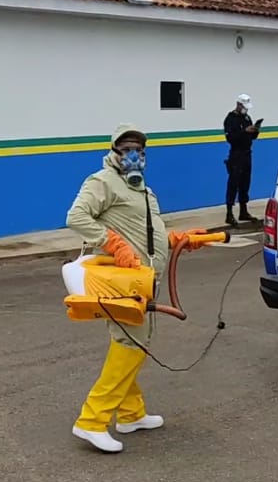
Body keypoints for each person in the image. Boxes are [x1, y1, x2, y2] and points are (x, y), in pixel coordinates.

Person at [65, 122, 206, 453]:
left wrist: (178, 240)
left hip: (144, 280)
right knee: (131, 344)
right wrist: (112, 243)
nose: (133, 155)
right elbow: (77, 216)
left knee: (132, 343)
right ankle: (91, 420)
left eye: (139, 150)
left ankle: (130, 414)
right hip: (124, 282)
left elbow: (145, 234)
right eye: (126, 149)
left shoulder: (142, 188)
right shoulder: (102, 182)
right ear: (114, 152)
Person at [223, 93, 260, 226]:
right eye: (244, 106)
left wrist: (255, 130)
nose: (246, 109)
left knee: (245, 183)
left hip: (247, 154)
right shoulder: (230, 119)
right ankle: (229, 213)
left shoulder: (247, 118)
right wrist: (244, 131)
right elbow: (231, 138)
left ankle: (243, 211)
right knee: (233, 183)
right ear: (238, 104)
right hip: (236, 155)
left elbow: (252, 137)